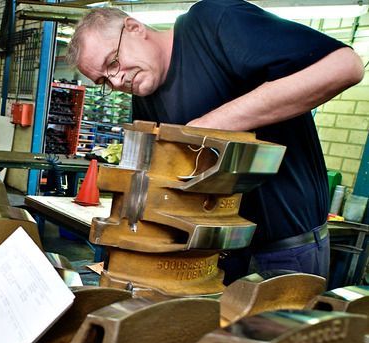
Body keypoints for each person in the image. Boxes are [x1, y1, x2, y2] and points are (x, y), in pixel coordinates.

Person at [66, 0, 365, 283]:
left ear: (134, 28)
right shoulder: (146, 96)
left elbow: (344, 66)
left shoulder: (211, 23)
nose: (117, 82)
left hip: (285, 250)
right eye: (104, 81)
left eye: (114, 63)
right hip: (215, 253)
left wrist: (207, 126)